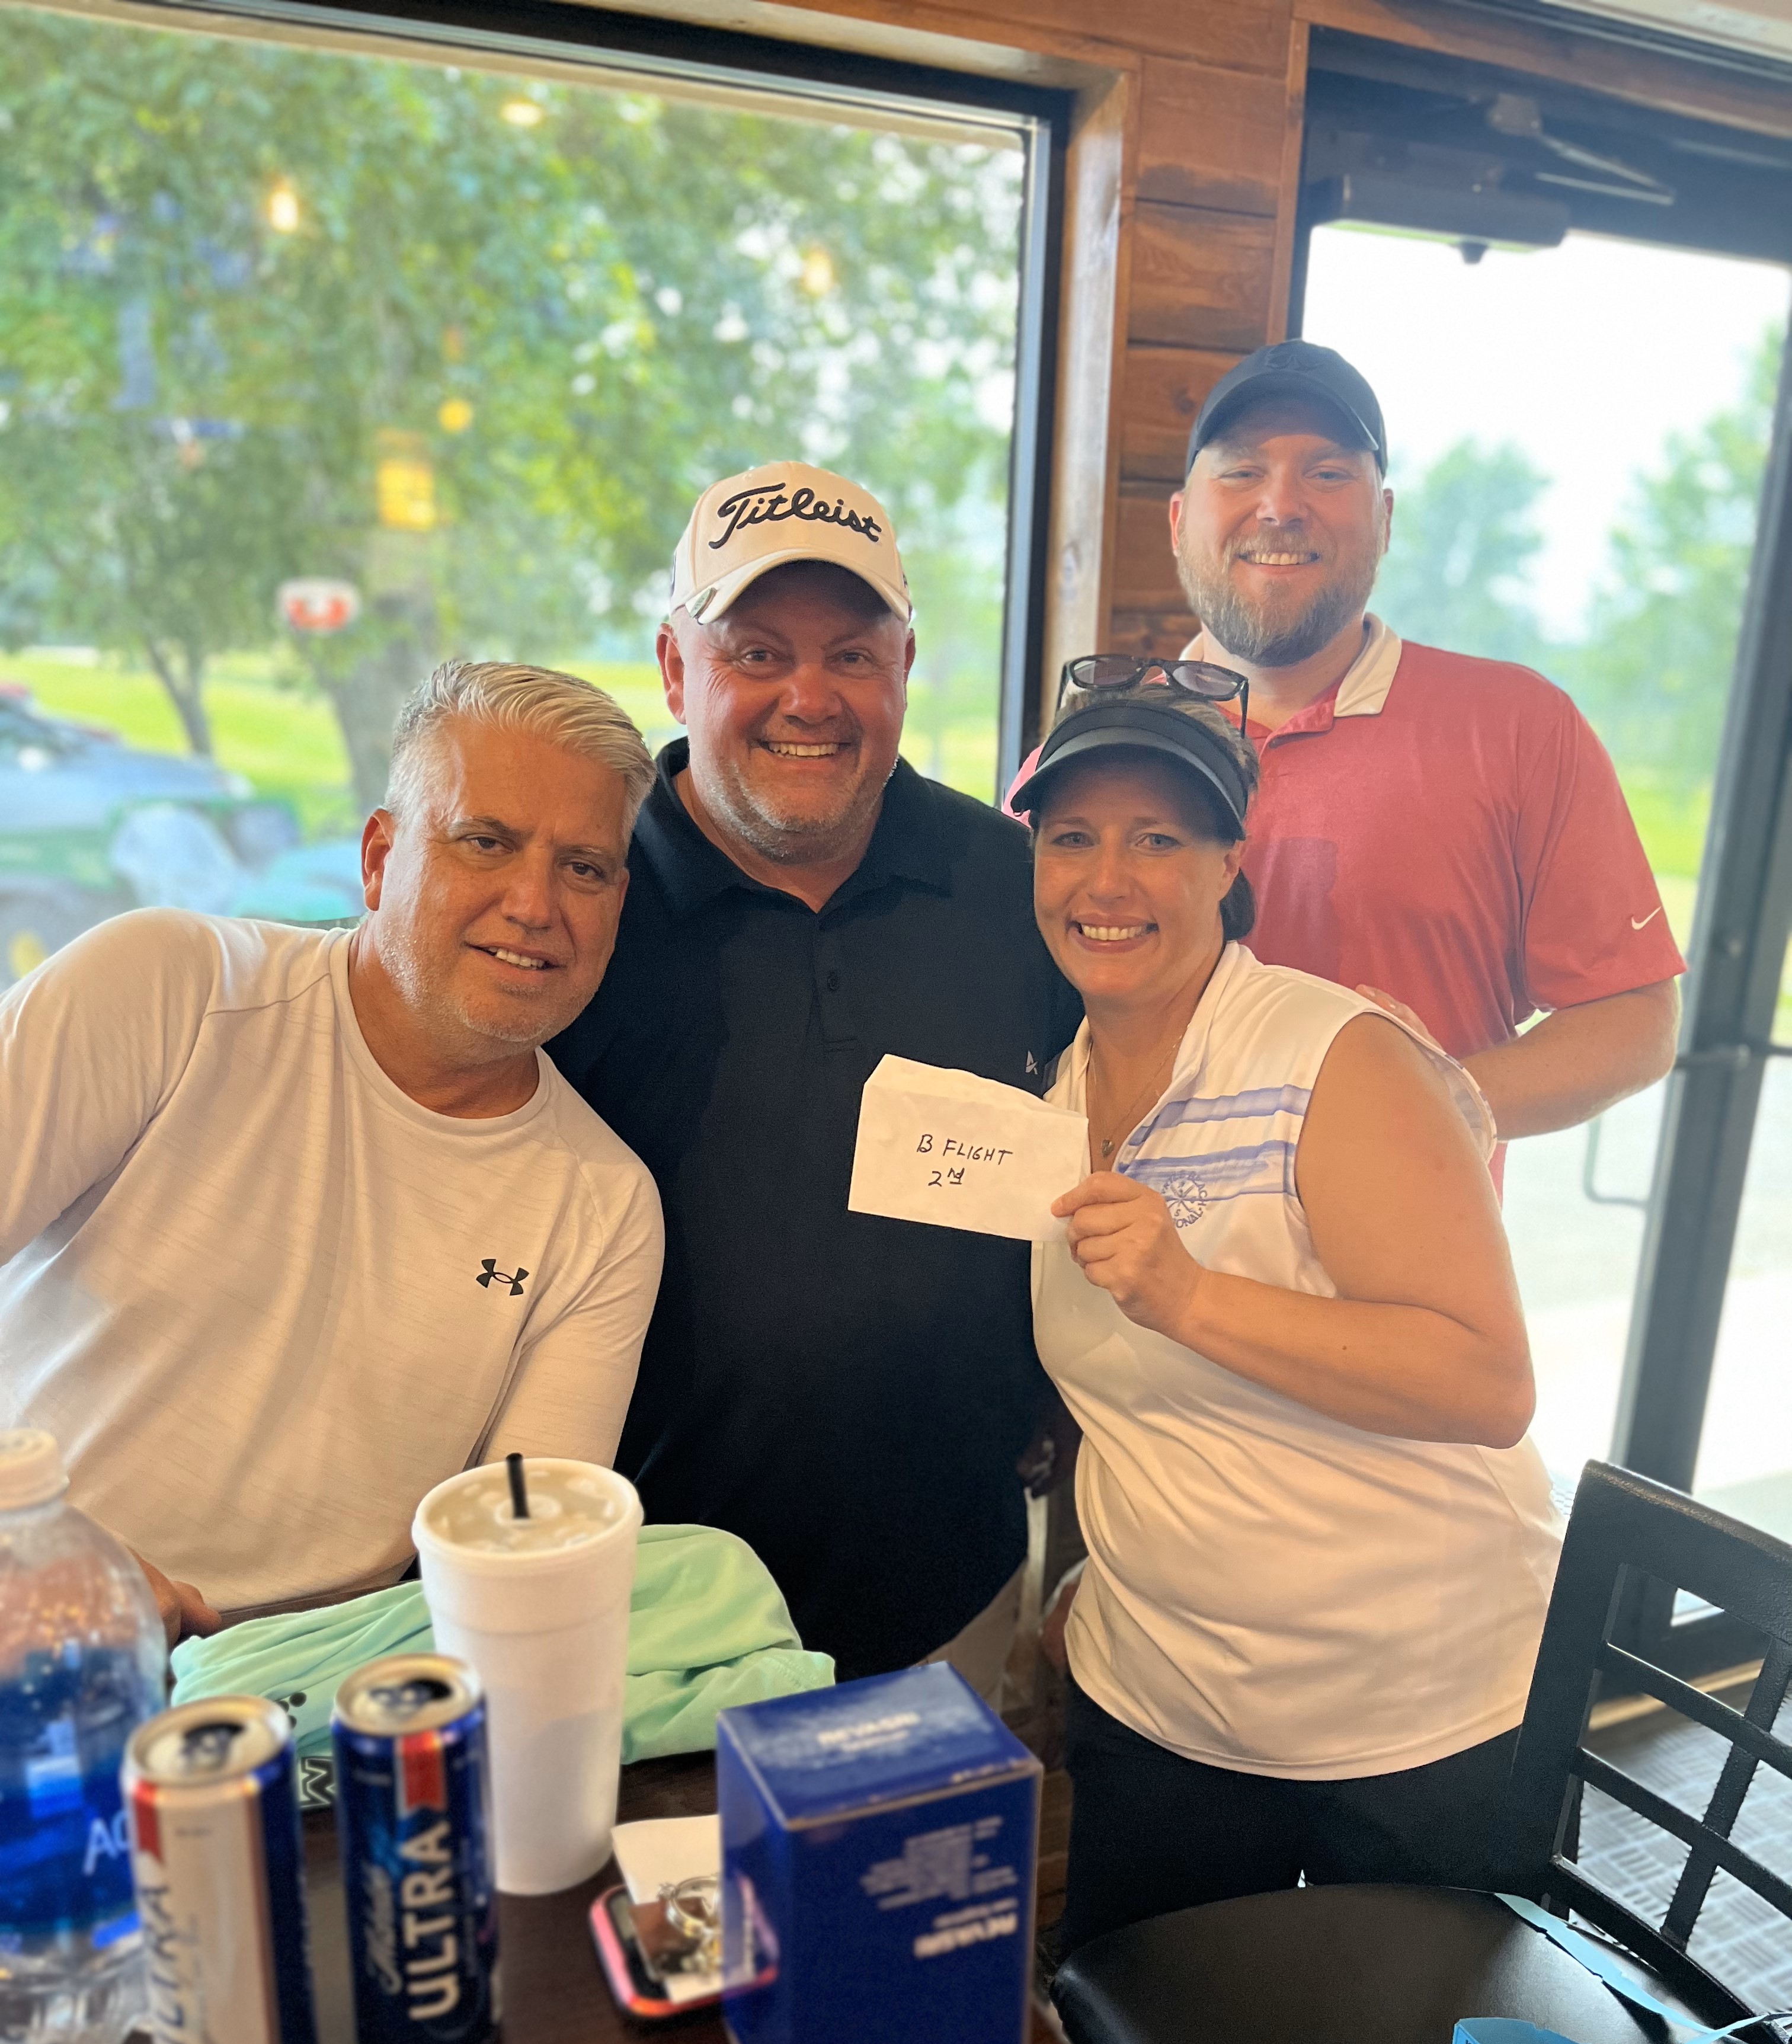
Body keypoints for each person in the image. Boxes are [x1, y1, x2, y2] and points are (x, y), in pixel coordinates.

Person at [1023, 680, 1563, 1955]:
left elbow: (1486, 1384)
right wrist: (1084, 1582)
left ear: (1230, 864)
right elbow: (1115, 1398)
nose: (1109, 880)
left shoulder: (1335, 1056)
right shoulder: (1052, 1097)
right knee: (1137, 2042)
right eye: (1072, 837)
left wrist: (1193, 1296)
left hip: (1415, 1715)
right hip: (1162, 1706)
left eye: (1159, 838)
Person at [549, 463, 1081, 1686]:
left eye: (852, 655)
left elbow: (1116, 1120)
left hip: (951, 1593)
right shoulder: (581, 898)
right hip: (644, 1619)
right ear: (675, 668)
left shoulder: (1014, 887)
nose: (810, 698)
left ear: (906, 667)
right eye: (757, 654)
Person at [0, 662, 664, 1642]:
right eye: (486, 842)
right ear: (379, 858)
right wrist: (42, 1553)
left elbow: (521, 1564)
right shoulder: (166, 989)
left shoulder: (605, 1209)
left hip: (313, 1693)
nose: (535, 903)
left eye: (585, 868)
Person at [1164, 338, 1684, 1143]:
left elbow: (1634, 1015)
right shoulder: (1091, 750)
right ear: (1178, 519)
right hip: (1125, 1227)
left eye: (1328, 474)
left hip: (1411, 1227)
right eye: (1240, 471)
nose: (1280, 505)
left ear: (1386, 519)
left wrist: (1427, 1104)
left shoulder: (1517, 727)